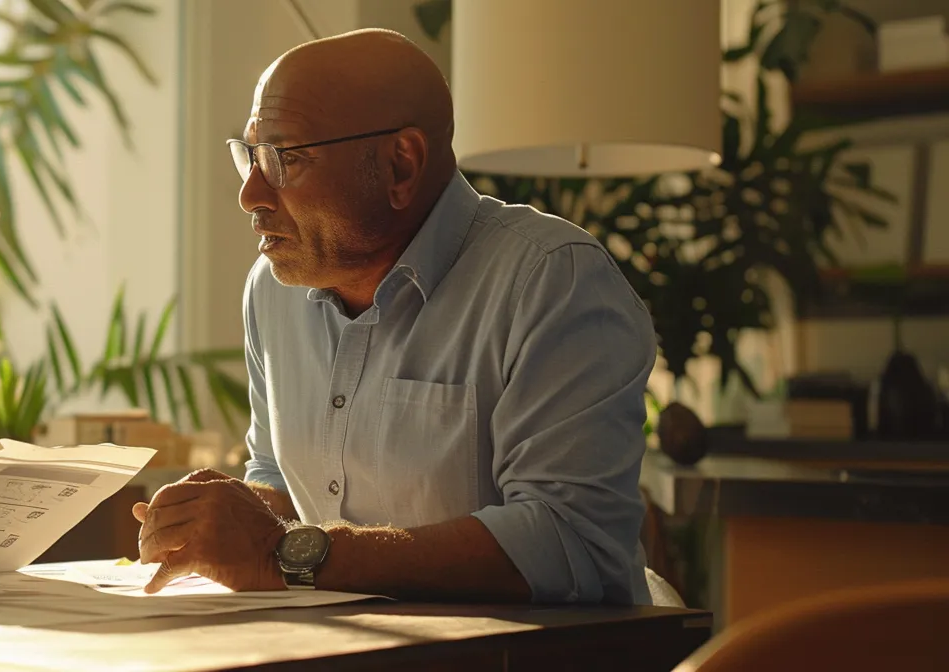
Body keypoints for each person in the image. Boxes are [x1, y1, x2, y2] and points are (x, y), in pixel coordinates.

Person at [133, 29, 657, 605]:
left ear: (400, 165)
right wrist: (227, 518)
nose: (251, 194)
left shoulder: (550, 280)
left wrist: (277, 555)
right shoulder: (273, 289)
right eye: (251, 156)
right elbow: (282, 480)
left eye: (286, 159)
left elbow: (568, 541)